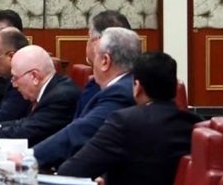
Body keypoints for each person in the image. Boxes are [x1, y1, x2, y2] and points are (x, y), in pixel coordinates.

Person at [58, 52, 201, 185]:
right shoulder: (195, 123)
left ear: (137, 87)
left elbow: (72, 170)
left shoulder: (124, 122)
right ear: (175, 87)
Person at [32, 27, 140, 169]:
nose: (92, 64)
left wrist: (29, 157)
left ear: (105, 61)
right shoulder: (124, 85)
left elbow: (81, 132)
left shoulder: (120, 93)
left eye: (95, 57)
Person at [0, 45, 80, 145]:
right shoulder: (48, 90)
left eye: (15, 78)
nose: (14, 85)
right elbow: (24, 123)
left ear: (34, 76)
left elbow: (27, 132)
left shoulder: (61, 97)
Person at [77, 10, 132, 115]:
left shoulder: (116, 92)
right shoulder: (135, 81)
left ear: (99, 42)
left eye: (89, 37)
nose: (87, 42)